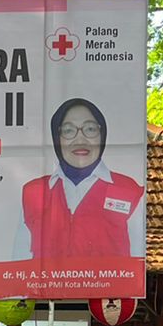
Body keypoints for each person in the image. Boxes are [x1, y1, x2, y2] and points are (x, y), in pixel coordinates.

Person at [15, 98, 145, 262]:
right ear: (57, 137)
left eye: (90, 129)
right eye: (69, 131)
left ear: (102, 134)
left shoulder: (129, 191)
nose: (80, 140)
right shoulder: (34, 193)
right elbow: (19, 264)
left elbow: (137, 266)